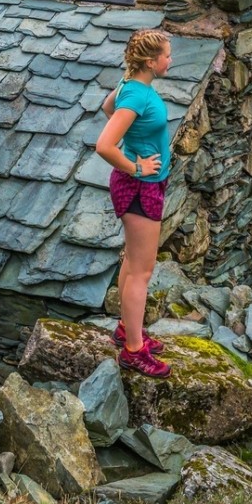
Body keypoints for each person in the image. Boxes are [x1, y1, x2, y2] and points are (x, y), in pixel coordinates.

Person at [95, 28, 174, 378]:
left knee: (133, 261)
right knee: (142, 271)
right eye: (166, 56)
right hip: (140, 187)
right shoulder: (137, 95)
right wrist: (138, 165)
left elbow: (106, 106)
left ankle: (129, 331)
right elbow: (105, 144)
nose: (170, 60)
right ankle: (133, 352)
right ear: (150, 61)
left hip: (146, 185)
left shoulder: (131, 86)